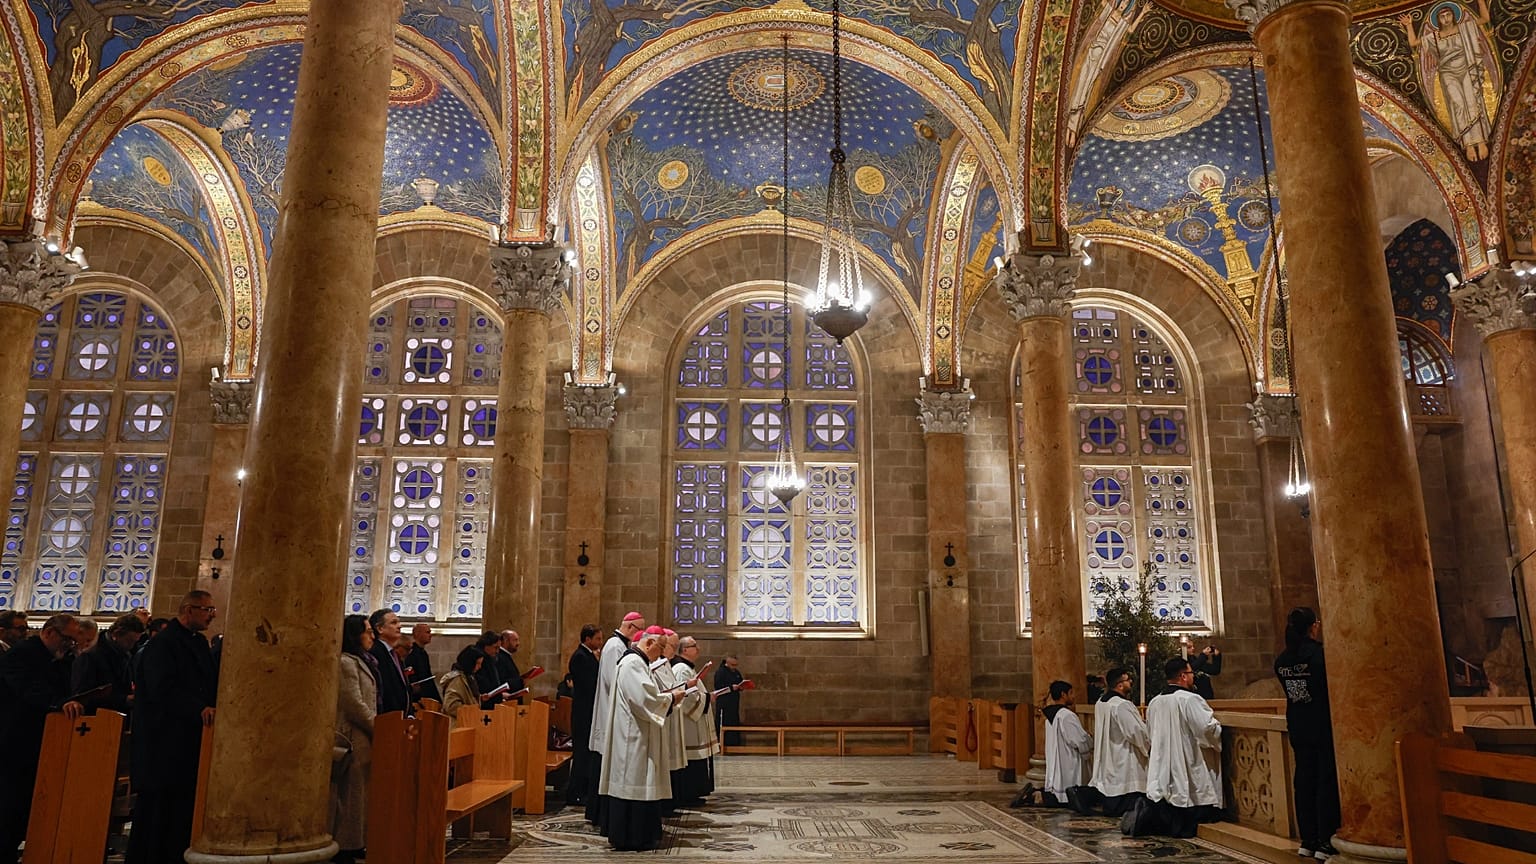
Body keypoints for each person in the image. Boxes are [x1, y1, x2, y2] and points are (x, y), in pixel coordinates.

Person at [127, 591, 218, 864]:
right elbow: (161, 689)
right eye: (206, 609)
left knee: (181, 812)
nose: (212, 614)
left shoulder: (198, 643)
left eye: (212, 609)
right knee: (158, 813)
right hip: (164, 741)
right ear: (188, 610)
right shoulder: (163, 644)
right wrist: (197, 708)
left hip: (189, 739)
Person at [0, 613, 84, 864]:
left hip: (39, 744)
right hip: (13, 743)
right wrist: (58, 703)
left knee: (23, 810)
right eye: (67, 640)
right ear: (49, 633)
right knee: (8, 807)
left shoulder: (57, 659)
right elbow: (27, 689)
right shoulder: (22, 655)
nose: (69, 646)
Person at [596, 627, 684, 851]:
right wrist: (672, 697)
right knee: (634, 782)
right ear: (649, 643)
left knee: (640, 781)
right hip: (632, 737)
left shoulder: (638, 662)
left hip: (637, 733)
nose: (662, 653)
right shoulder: (633, 663)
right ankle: (632, 836)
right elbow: (644, 699)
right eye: (661, 647)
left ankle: (642, 834)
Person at [1275, 607, 1340, 861]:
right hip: (1322, 724)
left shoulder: (1282, 660)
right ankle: (1325, 840)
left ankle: (1308, 839)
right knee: (1325, 782)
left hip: (1299, 725)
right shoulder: (1320, 656)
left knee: (1304, 781)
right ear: (1313, 626)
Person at [1145, 656, 1223, 838]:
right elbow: (1206, 727)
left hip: (1163, 758)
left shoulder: (1155, 701)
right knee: (1188, 789)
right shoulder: (1190, 699)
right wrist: (1218, 730)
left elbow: (1150, 731)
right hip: (1187, 756)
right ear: (1183, 676)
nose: (1193, 677)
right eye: (1191, 673)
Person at [587, 611, 645, 826]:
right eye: (639, 630)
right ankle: (598, 813)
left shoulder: (620, 646)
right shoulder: (614, 646)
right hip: (609, 711)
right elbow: (614, 680)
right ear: (631, 627)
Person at [333, 615, 378, 864]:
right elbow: (353, 703)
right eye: (368, 631)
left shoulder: (360, 661)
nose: (372, 636)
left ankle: (356, 841)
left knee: (359, 794)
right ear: (354, 634)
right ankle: (346, 844)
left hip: (364, 737)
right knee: (349, 793)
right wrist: (376, 726)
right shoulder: (345, 663)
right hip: (351, 736)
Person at [1090, 666, 1150, 816]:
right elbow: (1135, 732)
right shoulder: (1121, 705)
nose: (1131, 682)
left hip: (1109, 753)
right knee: (1128, 788)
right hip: (1125, 755)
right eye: (1128, 680)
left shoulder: (1101, 702)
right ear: (1120, 685)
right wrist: (1149, 745)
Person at [72, 613, 146, 714]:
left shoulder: (125, 655)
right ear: (116, 634)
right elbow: (83, 697)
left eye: (135, 642)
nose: (132, 646)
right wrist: (124, 700)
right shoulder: (90, 657)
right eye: (129, 641)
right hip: (97, 718)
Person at [672, 635, 716, 806]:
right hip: (689, 723)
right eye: (694, 646)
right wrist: (705, 698)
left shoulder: (688, 668)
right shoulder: (681, 669)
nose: (698, 648)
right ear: (684, 650)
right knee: (692, 759)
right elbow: (687, 698)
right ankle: (689, 794)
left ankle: (695, 793)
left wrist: (705, 696)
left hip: (694, 721)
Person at [567, 623, 603, 807]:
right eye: (597, 638)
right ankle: (575, 793)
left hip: (588, 710)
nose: (600, 642)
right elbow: (588, 684)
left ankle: (582, 790)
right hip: (583, 712)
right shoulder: (580, 657)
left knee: (586, 754)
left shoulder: (588, 655)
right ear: (587, 639)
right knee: (581, 754)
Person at [368, 609, 410, 715]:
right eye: (394, 623)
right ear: (380, 628)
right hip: (387, 717)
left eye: (398, 622)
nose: (399, 626)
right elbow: (385, 689)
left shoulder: (393, 653)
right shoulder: (376, 652)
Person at [440, 646, 489, 725]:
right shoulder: (456, 680)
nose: (480, 667)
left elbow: (466, 697)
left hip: (467, 721)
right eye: (478, 663)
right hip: (457, 724)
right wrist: (471, 710)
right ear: (470, 662)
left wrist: (479, 698)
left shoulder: (469, 677)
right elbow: (451, 706)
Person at [404, 622, 440, 704]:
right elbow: (408, 670)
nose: (430, 635)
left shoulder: (423, 653)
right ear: (417, 634)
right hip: (417, 696)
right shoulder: (411, 653)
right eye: (427, 632)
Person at [713, 654, 745, 747]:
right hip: (724, 703)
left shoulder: (736, 672)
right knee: (724, 722)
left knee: (734, 722)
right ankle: (723, 745)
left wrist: (741, 686)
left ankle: (734, 745)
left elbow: (740, 682)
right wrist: (731, 687)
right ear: (727, 662)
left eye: (736, 665)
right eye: (733, 665)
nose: (734, 667)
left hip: (734, 703)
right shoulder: (721, 672)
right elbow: (718, 687)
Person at [474, 630, 508, 705]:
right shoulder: (478, 659)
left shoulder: (490, 659)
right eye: (495, 648)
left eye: (499, 648)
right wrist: (499, 695)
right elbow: (481, 684)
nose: (497, 651)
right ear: (486, 646)